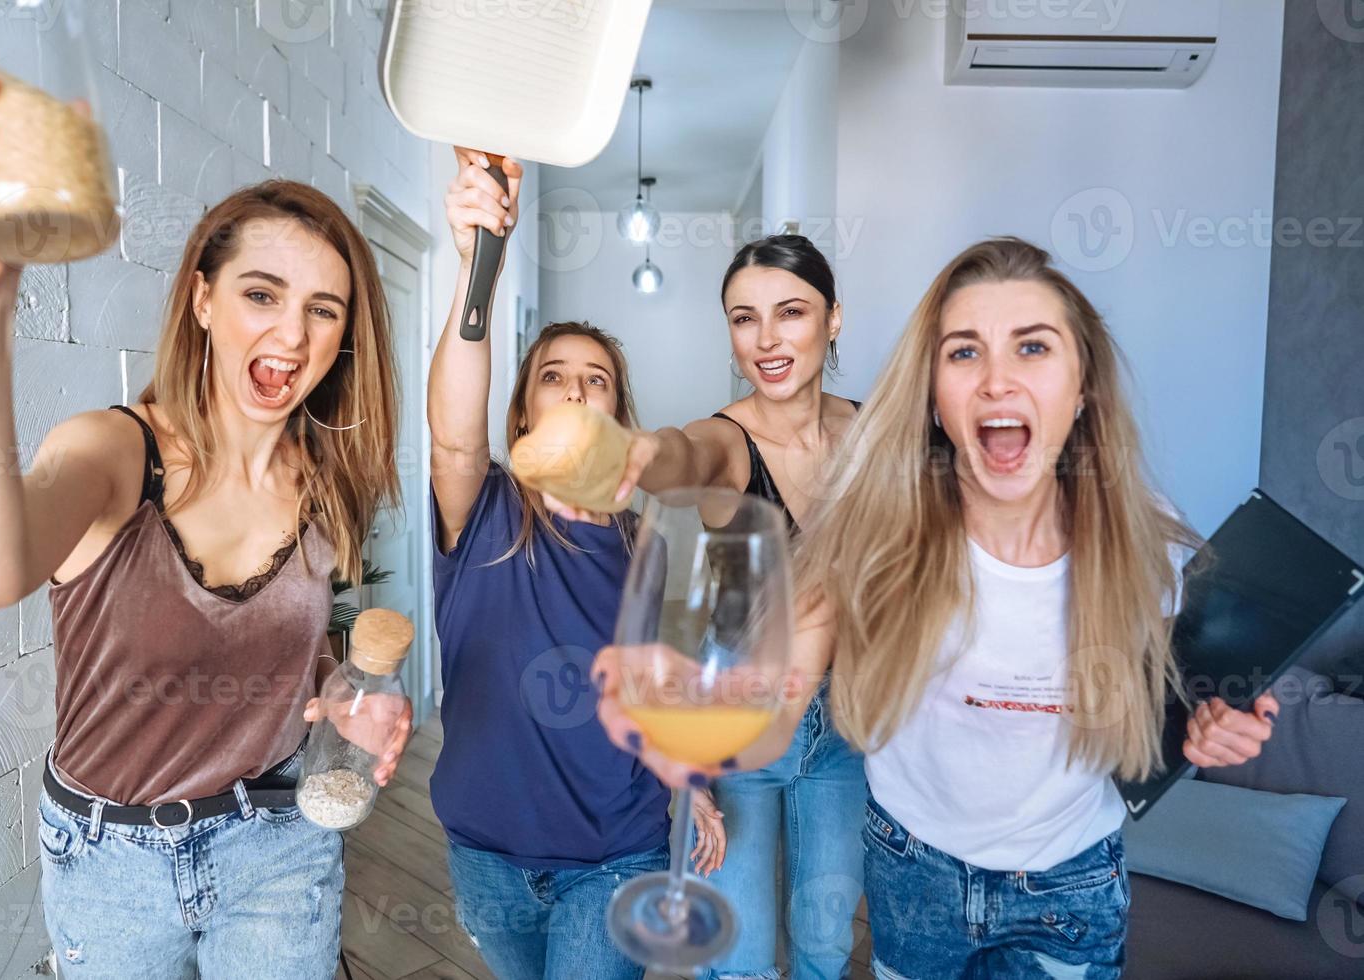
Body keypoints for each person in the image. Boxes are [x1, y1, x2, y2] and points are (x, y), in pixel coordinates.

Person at [596, 237, 1278, 979]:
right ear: (931, 393)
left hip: (1068, 885)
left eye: (1031, 347)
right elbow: (781, 697)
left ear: (1082, 384)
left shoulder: (1145, 538)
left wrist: (1207, 722)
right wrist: (692, 731)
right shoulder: (873, 524)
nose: (995, 381)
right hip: (911, 873)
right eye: (962, 353)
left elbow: (1170, 694)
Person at [0, 11, 411, 975]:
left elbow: (283, 668)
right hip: (110, 866)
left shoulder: (325, 484)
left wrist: (346, 699)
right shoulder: (114, 455)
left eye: (322, 311)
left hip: (280, 847)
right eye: (262, 294)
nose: (292, 337)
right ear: (203, 301)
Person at [427, 148, 725, 980]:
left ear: (618, 414)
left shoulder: (647, 547)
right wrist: (476, 267)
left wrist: (693, 782)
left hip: (616, 852)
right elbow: (453, 431)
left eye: (593, 380)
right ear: (523, 407)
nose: (571, 390)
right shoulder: (480, 509)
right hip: (483, 849)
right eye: (551, 376)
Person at [567, 235, 868, 979]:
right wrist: (641, 453)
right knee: (736, 957)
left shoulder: (873, 435)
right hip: (743, 707)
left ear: (833, 319)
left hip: (852, 722)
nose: (765, 339)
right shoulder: (728, 441)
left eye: (790, 312)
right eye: (743, 318)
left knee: (827, 943)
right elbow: (683, 452)